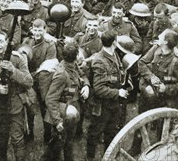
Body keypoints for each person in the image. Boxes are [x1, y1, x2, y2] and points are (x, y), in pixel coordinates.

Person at [0, 30, 33, 161]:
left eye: (1, 41)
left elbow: (29, 81)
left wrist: (13, 70)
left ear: (6, 42)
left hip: (15, 103)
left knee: (17, 138)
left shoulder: (17, 58)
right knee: (2, 135)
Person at [86, 30, 128, 160]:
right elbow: (99, 89)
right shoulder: (100, 61)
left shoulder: (114, 55)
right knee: (95, 133)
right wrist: (118, 92)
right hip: (101, 105)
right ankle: (90, 158)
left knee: (111, 133)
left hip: (112, 104)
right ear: (114, 42)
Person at [44, 41, 89, 161]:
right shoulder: (62, 74)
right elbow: (50, 99)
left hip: (72, 109)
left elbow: (82, 75)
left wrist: (86, 86)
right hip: (62, 113)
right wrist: (58, 121)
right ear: (76, 56)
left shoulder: (72, 66)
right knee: (59, 142)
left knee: (69, 141)